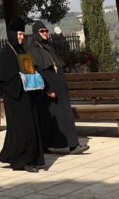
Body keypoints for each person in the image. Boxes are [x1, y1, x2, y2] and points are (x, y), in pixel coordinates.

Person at [26, 21, 88, 154]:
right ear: (36, 33)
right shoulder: (33, 49)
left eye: (45, 31)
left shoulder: (46, 46)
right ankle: (72, 145)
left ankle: (47, 145)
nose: (44, 33)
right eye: (41, 31)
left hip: (59, 90)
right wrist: (48, 90)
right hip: (50, 91)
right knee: (56, 118)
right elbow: (38, 72)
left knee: (59, 117)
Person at [0, 18, 45, 172]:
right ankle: (23, 161)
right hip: (15, 98)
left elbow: (27, 69)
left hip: (26, 96)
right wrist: (20, 81)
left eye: (23, 34)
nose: (22, 37)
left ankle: (25, 157)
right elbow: (2, 78)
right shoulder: (6, 53)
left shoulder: (21, 51)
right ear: (12, 35)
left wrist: (33, 78)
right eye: (20, 34)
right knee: (23, 129)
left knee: (29, 127)